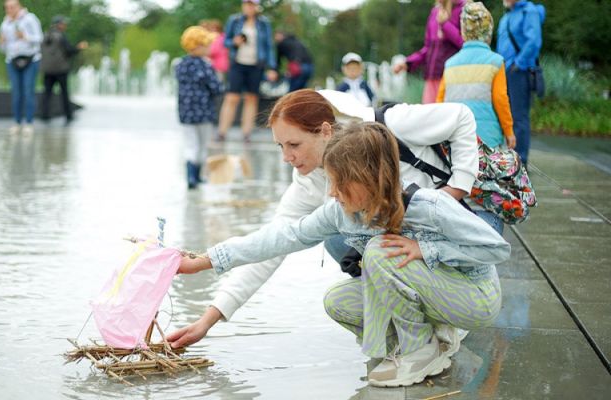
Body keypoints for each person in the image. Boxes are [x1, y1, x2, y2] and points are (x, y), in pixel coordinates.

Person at [176, 122, 509, 387]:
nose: (332, 192)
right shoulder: (340, 211)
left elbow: (496, 248)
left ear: (369, 179)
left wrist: (428, 248)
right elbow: (281, 237)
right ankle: (419, 346)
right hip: (437, 294)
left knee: (379, 251)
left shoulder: (430, 206)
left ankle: (419, 350)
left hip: (475, 299)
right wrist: (203, 261)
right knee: (339, 300)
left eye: (339, 182)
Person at [437, 1, 515, 234]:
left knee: (461, 183)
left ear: (462, 30)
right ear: (489, 32)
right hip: (488, 140)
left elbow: (440, 103)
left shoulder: (450, 64)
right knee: (489, 193)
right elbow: (501, 99)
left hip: (454, 138)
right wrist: (509, 132)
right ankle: (487, 234)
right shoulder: (495, 61)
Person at [216, 0, 278, 143]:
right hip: (237, 64)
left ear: (256, 7)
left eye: (252, 4)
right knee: (232, 97)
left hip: (256, 65)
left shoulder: (263, 23)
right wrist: (234, 42)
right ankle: (222, 132)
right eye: (246, 4)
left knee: (252, 98)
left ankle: (246, 133)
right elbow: (225, 42)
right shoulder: (234, 20)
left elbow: (269, 46)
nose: (249, 7)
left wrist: (272, 67)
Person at [496, 0, 545, 166]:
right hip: (504, 70)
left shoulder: (528, 11)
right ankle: (510, 159)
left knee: (519, 117)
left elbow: (534, 41)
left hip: (519, 72)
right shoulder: (509, 14)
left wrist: (518, 64)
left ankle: (520, 162)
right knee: (507, 114)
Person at [175, 26, 223, 189]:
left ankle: (190, 176)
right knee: (202, 144)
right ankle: (196, 176)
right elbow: (216, 87)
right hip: (203, 111)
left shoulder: (180, 64)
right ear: (199, 46)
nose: (210, 48)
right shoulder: (205, 66)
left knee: (190, 144)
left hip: (185, 112)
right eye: (208, 45)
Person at [393, 0, 467, 104]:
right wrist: (408, 63)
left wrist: (445, 25)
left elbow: (464, 43)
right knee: (428, 116)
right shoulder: (434, 12)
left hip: (450, 79)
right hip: (431, 78)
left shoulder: (463, 10)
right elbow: (428, 48)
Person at [0, 0, 43, 135]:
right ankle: (17, 122)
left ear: (19, 6)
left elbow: (40, 38)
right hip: (12, 61)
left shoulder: (30, 19)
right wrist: (1, 43)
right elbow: (2, 49)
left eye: (12, 7)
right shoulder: (5, 24)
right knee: (16, 92)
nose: (9, 10)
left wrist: (25, 36)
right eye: (7, 8)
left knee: (28, 91)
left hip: (30, 59)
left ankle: (29, 123)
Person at [40, 15, 87, 124]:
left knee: (47, 93)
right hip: (60, 69)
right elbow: (70, 51)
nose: (65, 25)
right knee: (64, 93)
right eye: (63, 23)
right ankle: (68, 115)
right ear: (59, 24)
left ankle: (44, 115)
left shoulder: (46, 35)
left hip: (47, 69)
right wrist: (79, 47)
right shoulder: (60, 36)